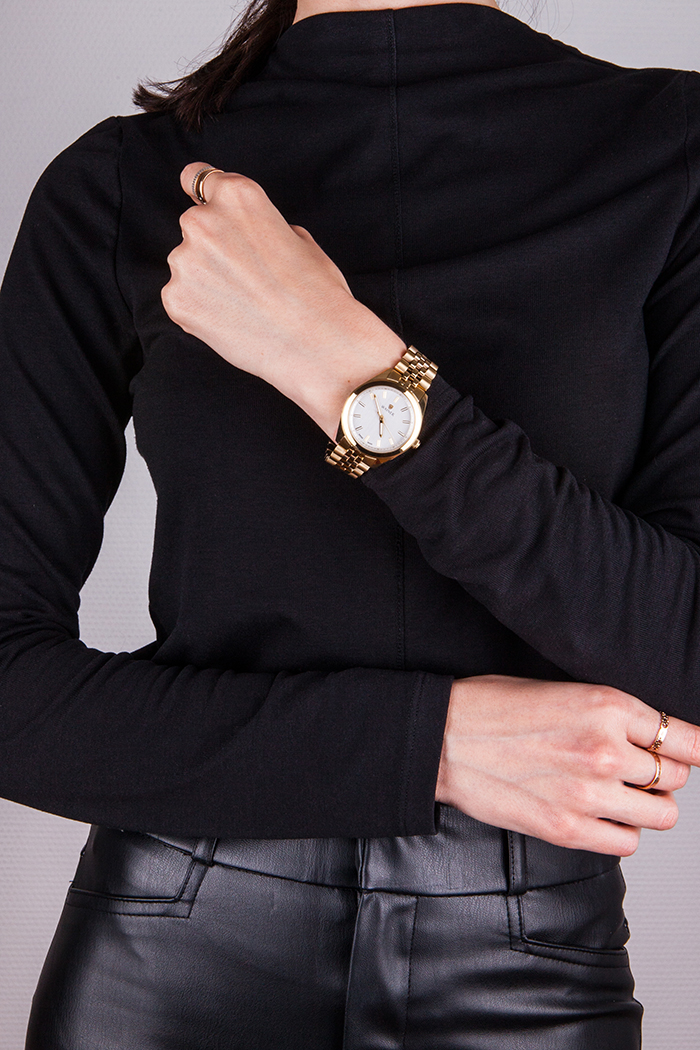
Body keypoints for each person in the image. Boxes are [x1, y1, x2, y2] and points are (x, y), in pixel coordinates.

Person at [2, 0, 700, 1045]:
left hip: (529, 970)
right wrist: (431, 747)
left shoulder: (673, 153)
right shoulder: (123, 185)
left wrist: (339, 360)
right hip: (168, 959)